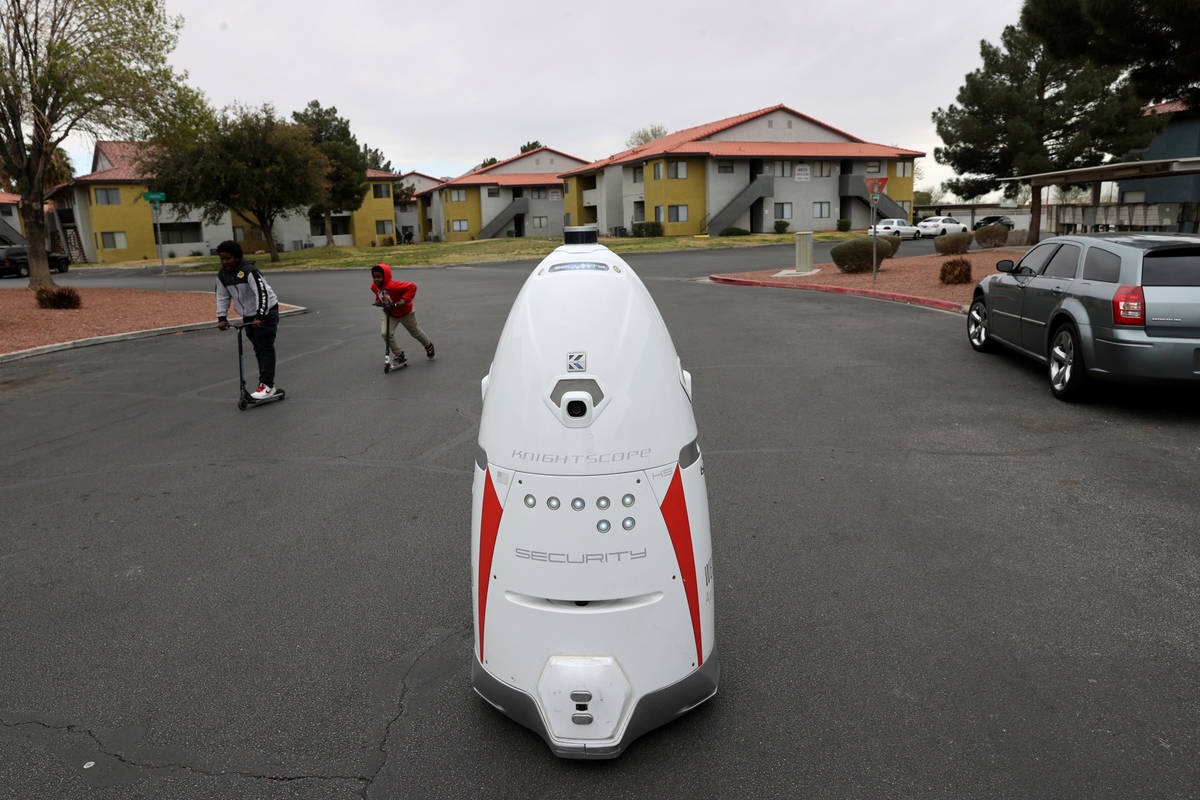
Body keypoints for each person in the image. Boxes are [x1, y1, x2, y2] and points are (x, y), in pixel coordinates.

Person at [215, 240, 281, 400]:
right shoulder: (222, 275)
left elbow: (262, 293)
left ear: (237, 257)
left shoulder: (249, 271)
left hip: (266, 312)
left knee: (264, 347)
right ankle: (265, 384)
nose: (225, 262)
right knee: (258, 348)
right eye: (222, 259)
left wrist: (260, 316)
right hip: (249, 315)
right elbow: (222, 296)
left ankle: (267, 385)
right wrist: (222, 317)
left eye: (228, 258)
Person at [370, 263, 434, 369]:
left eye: (379, 277)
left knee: (415, 333)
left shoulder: (394, 286)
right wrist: (378, 301)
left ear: (385, 277)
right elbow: (379, 294)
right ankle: (399, 355)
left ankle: (428, 346)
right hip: (389, 313)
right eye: (374, 277)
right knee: (385, 333)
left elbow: (412, 287)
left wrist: (404, 300)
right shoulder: (374, 286)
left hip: (405, 313)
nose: (376, 279)